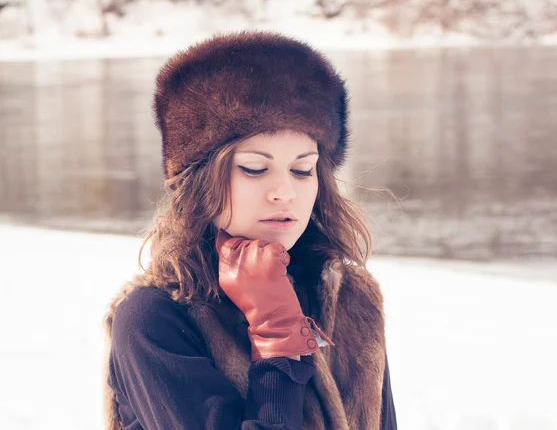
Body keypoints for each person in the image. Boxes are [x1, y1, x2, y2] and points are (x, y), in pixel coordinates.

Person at [102, 31, 398, 430]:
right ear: (198, 180)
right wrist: (278, 341)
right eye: (254, 168)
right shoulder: (155, 318)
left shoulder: (350, 296)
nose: (284, 193)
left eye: (302, 169)